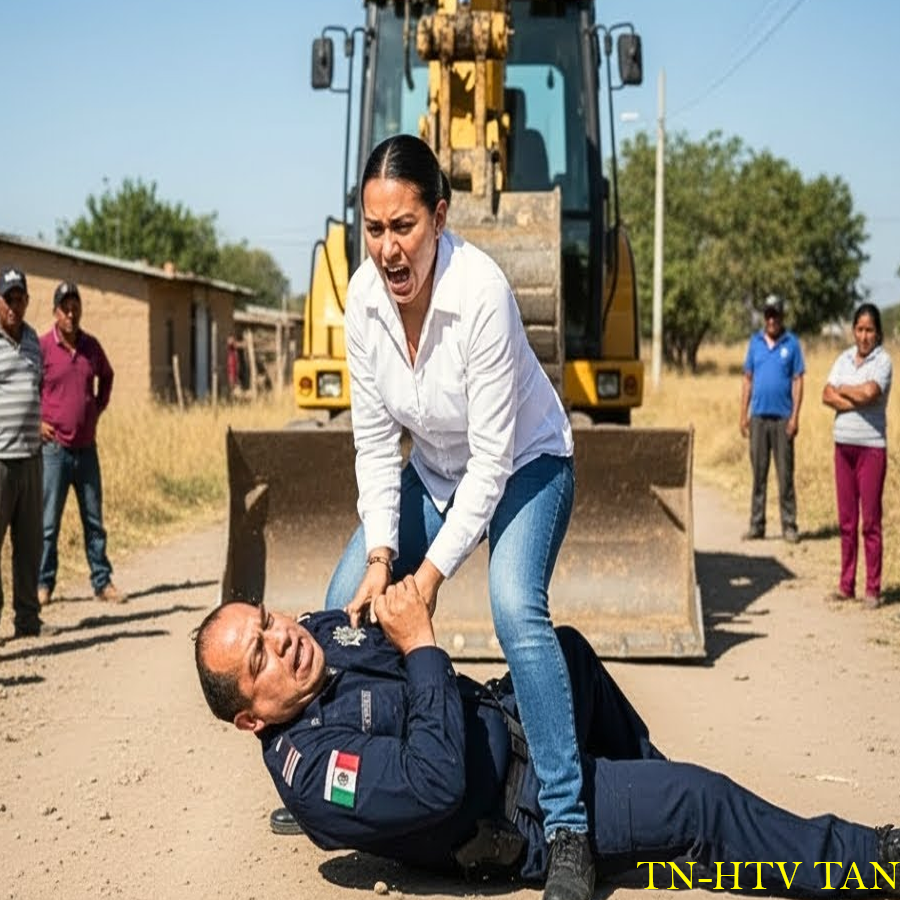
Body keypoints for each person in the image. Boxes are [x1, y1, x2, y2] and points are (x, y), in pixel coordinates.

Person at [193, 585, 900, 896]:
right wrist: (424, 644)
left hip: (507, 723)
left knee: (565, 651)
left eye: (267, 622)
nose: (283, 639)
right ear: (251, 719)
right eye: (260, 658)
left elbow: (381, 625)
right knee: (700, 801)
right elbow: (435, 779)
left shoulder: (316, 633)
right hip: (521, 811)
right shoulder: (317, 773)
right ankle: (873, 862)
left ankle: (643, 804)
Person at [321, 135, 588, 900]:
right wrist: (382, 558)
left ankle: (568, 827)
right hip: (434, 471)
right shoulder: (364, 303)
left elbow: (494, 461)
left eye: (403, 226)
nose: (388, 248)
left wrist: (430, 573)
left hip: (527, 464)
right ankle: (362, 774)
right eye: (373, 229)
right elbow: (375, 447)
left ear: (439, 216)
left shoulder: (482, 293)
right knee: (343, 598)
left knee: (514, 607)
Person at [38, 281, 122, 605]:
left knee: (93, 521)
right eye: (65, 307)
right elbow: (27, 386)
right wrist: (36, 422)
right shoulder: (44, 347)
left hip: (87, 450)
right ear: (55, 312)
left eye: (75, 307)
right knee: (48, 524)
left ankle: (102, 582)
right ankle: (43, 586)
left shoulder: (91, 347)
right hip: (54, 451)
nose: (71, 313)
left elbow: (108, 376)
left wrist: (96, 408)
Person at [822, 303, 892, 609]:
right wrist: (855, 395)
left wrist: (845, 391)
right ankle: (846, 584)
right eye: (860, 330)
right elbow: (826, 394)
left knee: (870, 521)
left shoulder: (883, 361)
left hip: (871, 449)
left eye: (870, 330)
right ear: (853, 330)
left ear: (878, 333)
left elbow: (870, 393)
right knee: (847, 521)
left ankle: (873, 588)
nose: (864, 336)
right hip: (843, 447)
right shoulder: (843, 359)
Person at [0, 266, 44, 638]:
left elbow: (40, 389)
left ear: (27, 301)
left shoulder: (33, 342)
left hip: (32, 458)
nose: (14, 305)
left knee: (29, 546)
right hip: (0, 460)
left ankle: (28, 620)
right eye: (8, 299)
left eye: (19, 298)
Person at [739, 294, 805, 543]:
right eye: (768, 314)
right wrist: (742, 414)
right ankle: (757, 525)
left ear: (781, 316)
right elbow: (747, 379)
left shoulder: (792, 343)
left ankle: (789, 525)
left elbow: (798, 380)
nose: (771, 319)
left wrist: (795, 416)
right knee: (759, 474)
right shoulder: (754, 343)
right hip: (758, 418)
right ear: (764, 317)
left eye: (775, 314)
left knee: (785, 475)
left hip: (783, 418)